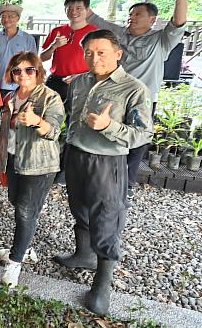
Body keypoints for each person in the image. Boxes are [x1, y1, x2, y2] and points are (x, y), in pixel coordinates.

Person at [63, 0, 190, 199]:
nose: (132, 17)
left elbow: (179, 23)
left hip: (140, 98)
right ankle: (91, 184)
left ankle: (123, 188)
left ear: (152, 19)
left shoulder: (160, 40)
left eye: (138, 14)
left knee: (133, 146)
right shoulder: (118, 33)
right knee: (99, 138)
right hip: (109, 97)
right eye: (131, 14)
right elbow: (96, 20)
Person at [54, 30, 152, 315]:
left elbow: (143, 134)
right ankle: (84, 255)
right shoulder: (81, 81)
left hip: (107, 163)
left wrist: (108, 127)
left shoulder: (133, 89)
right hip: (76, 156)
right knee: (80, 208)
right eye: (89, 52)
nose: (93, 58)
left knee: (106, 217)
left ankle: (102, 285)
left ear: (117, 53)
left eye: (101, 52)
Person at [0, 52, 65, 288]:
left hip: (39, 165)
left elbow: (54, 130)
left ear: (38, 71)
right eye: (17, 70)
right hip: (13, 159)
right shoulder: (10, 97)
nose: (22, 74)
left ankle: (14, 263)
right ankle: (26, 248)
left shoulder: (50, 97)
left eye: (29, 70)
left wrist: (36, 121)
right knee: (18, 203)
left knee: (25, 211)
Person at [40, 0, 97, 99]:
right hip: (56, 81)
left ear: (87, 10)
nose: (73, 12)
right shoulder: (56, 31)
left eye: (78, 8)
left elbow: (100, 61)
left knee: (78, 114)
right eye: (69, 8)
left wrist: (81, 76)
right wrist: (54, 46)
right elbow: (42, 58)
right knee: (50, 113)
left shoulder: (95, 32)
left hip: (83, 80)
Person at [0, 5, 36, 97]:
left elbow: (33, 64)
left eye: (11, 16)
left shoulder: (28, 39)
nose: (6, 19)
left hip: (18, 85)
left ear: (18, 18)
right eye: (3, 16)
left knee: (15, 111)